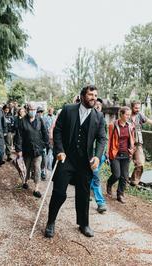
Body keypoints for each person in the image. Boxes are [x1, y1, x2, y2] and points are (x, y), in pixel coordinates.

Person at [45, 85, 107, 238]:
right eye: (90, 95)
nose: (94, 97)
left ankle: (83, 224)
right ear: (82, 96)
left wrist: (98, 156)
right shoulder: (68, 109)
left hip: (84, 162)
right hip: (65, 158)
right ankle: (50, 222)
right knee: (59, 192)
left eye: (95, 95)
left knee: (84, 194)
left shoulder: (98, 117)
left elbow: (102, 138)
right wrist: (59, 150)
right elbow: (57, 130)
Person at [14, 102, 49, 198]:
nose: (32, 111)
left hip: (38, 149)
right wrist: (19, 149)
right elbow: (19, 136)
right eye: (30, 109)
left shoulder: (40, 120)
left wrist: (46, 144)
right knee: (26, 167)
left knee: (37, 167)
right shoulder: (22, 121)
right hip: (27, 149)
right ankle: (24, 181)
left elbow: (45, 132)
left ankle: (36, 188)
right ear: (27, 110)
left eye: (34, 109)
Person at [129, 101, 152, 186]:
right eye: (136, 108)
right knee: (124, 164)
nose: (138, 109)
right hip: (127, 143)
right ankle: (122, 182)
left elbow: (151, 122)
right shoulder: (127, 115)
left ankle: (134, 182)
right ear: (131, 107)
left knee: (140, 163)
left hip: (138, 144)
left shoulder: (140, 116)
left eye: (139, 108)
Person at [107, 106, 135, 203]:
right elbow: (109, 140)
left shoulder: (130, 126)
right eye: (127, 114)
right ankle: (109, 184)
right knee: (116, 175)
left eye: (129, 115)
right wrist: (107, 154)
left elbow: (132, 139)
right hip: (115, 154)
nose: (128, 116)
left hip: (126, 154)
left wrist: (132, 150)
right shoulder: (113, 125)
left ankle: (120, 194)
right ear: (121, 114)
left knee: (124, 176)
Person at [90, 98, 107, 213]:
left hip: (100, 155)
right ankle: (100, 202)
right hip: (90, 155)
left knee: (93, 176)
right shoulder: (88, 120)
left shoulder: (103, 121)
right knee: (96, 177)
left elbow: (104, 139)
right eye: (96, 105)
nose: (98, 106)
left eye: (100, 105)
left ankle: (87, 190)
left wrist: (106, 154)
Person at [43, 107, 56, 171]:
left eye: (52, 111)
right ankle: (45, 167)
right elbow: (43, 127)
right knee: (46, 152)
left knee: (51, 152)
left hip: (52, 137)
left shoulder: (55, 117)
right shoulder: (44, 117)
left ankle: (50, 166)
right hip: (46, 136)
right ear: (48, 111)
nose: (51, 112)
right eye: (50, 111)